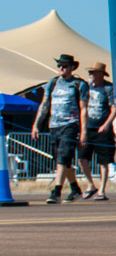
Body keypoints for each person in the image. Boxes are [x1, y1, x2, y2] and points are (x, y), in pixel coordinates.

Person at [32, 54, 88, 203]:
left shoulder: (79, 84)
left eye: (64, 66)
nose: (61, 68)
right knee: (62, 160)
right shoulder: (53, 82)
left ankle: (56, 191)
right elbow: (44, 104)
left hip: (70, 124)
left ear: (71, 68)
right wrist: (36, 125)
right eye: (59, 66)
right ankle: (75, 189)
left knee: (63, 158)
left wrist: (84, 132)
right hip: (54, 125)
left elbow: (83, 109)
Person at [79, 61, 116, 200]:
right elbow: (82, 107)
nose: (91, 74)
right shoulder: (86, 88)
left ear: (100, 74)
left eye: (93, 72)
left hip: (102, 128)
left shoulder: (108, 88)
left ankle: (102, 190)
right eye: (90, 72)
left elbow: (114, 108)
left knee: (103, 161)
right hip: (88, 128)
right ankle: (90, 184)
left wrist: (107, 124)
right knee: (82, 158)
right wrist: (82, 128)